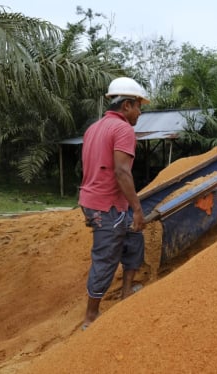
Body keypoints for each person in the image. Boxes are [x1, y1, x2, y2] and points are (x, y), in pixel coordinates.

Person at [78, 77, 149, 330]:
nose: (140, 113)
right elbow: (121, 171)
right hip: (105, 205)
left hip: (102, 201)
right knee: (106, 257)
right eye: (139, 107)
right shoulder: (123, 130)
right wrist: (138, 209)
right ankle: (90, 318)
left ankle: (126, 291)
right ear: (127, 105)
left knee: (133, 238)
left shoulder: (93, 128)